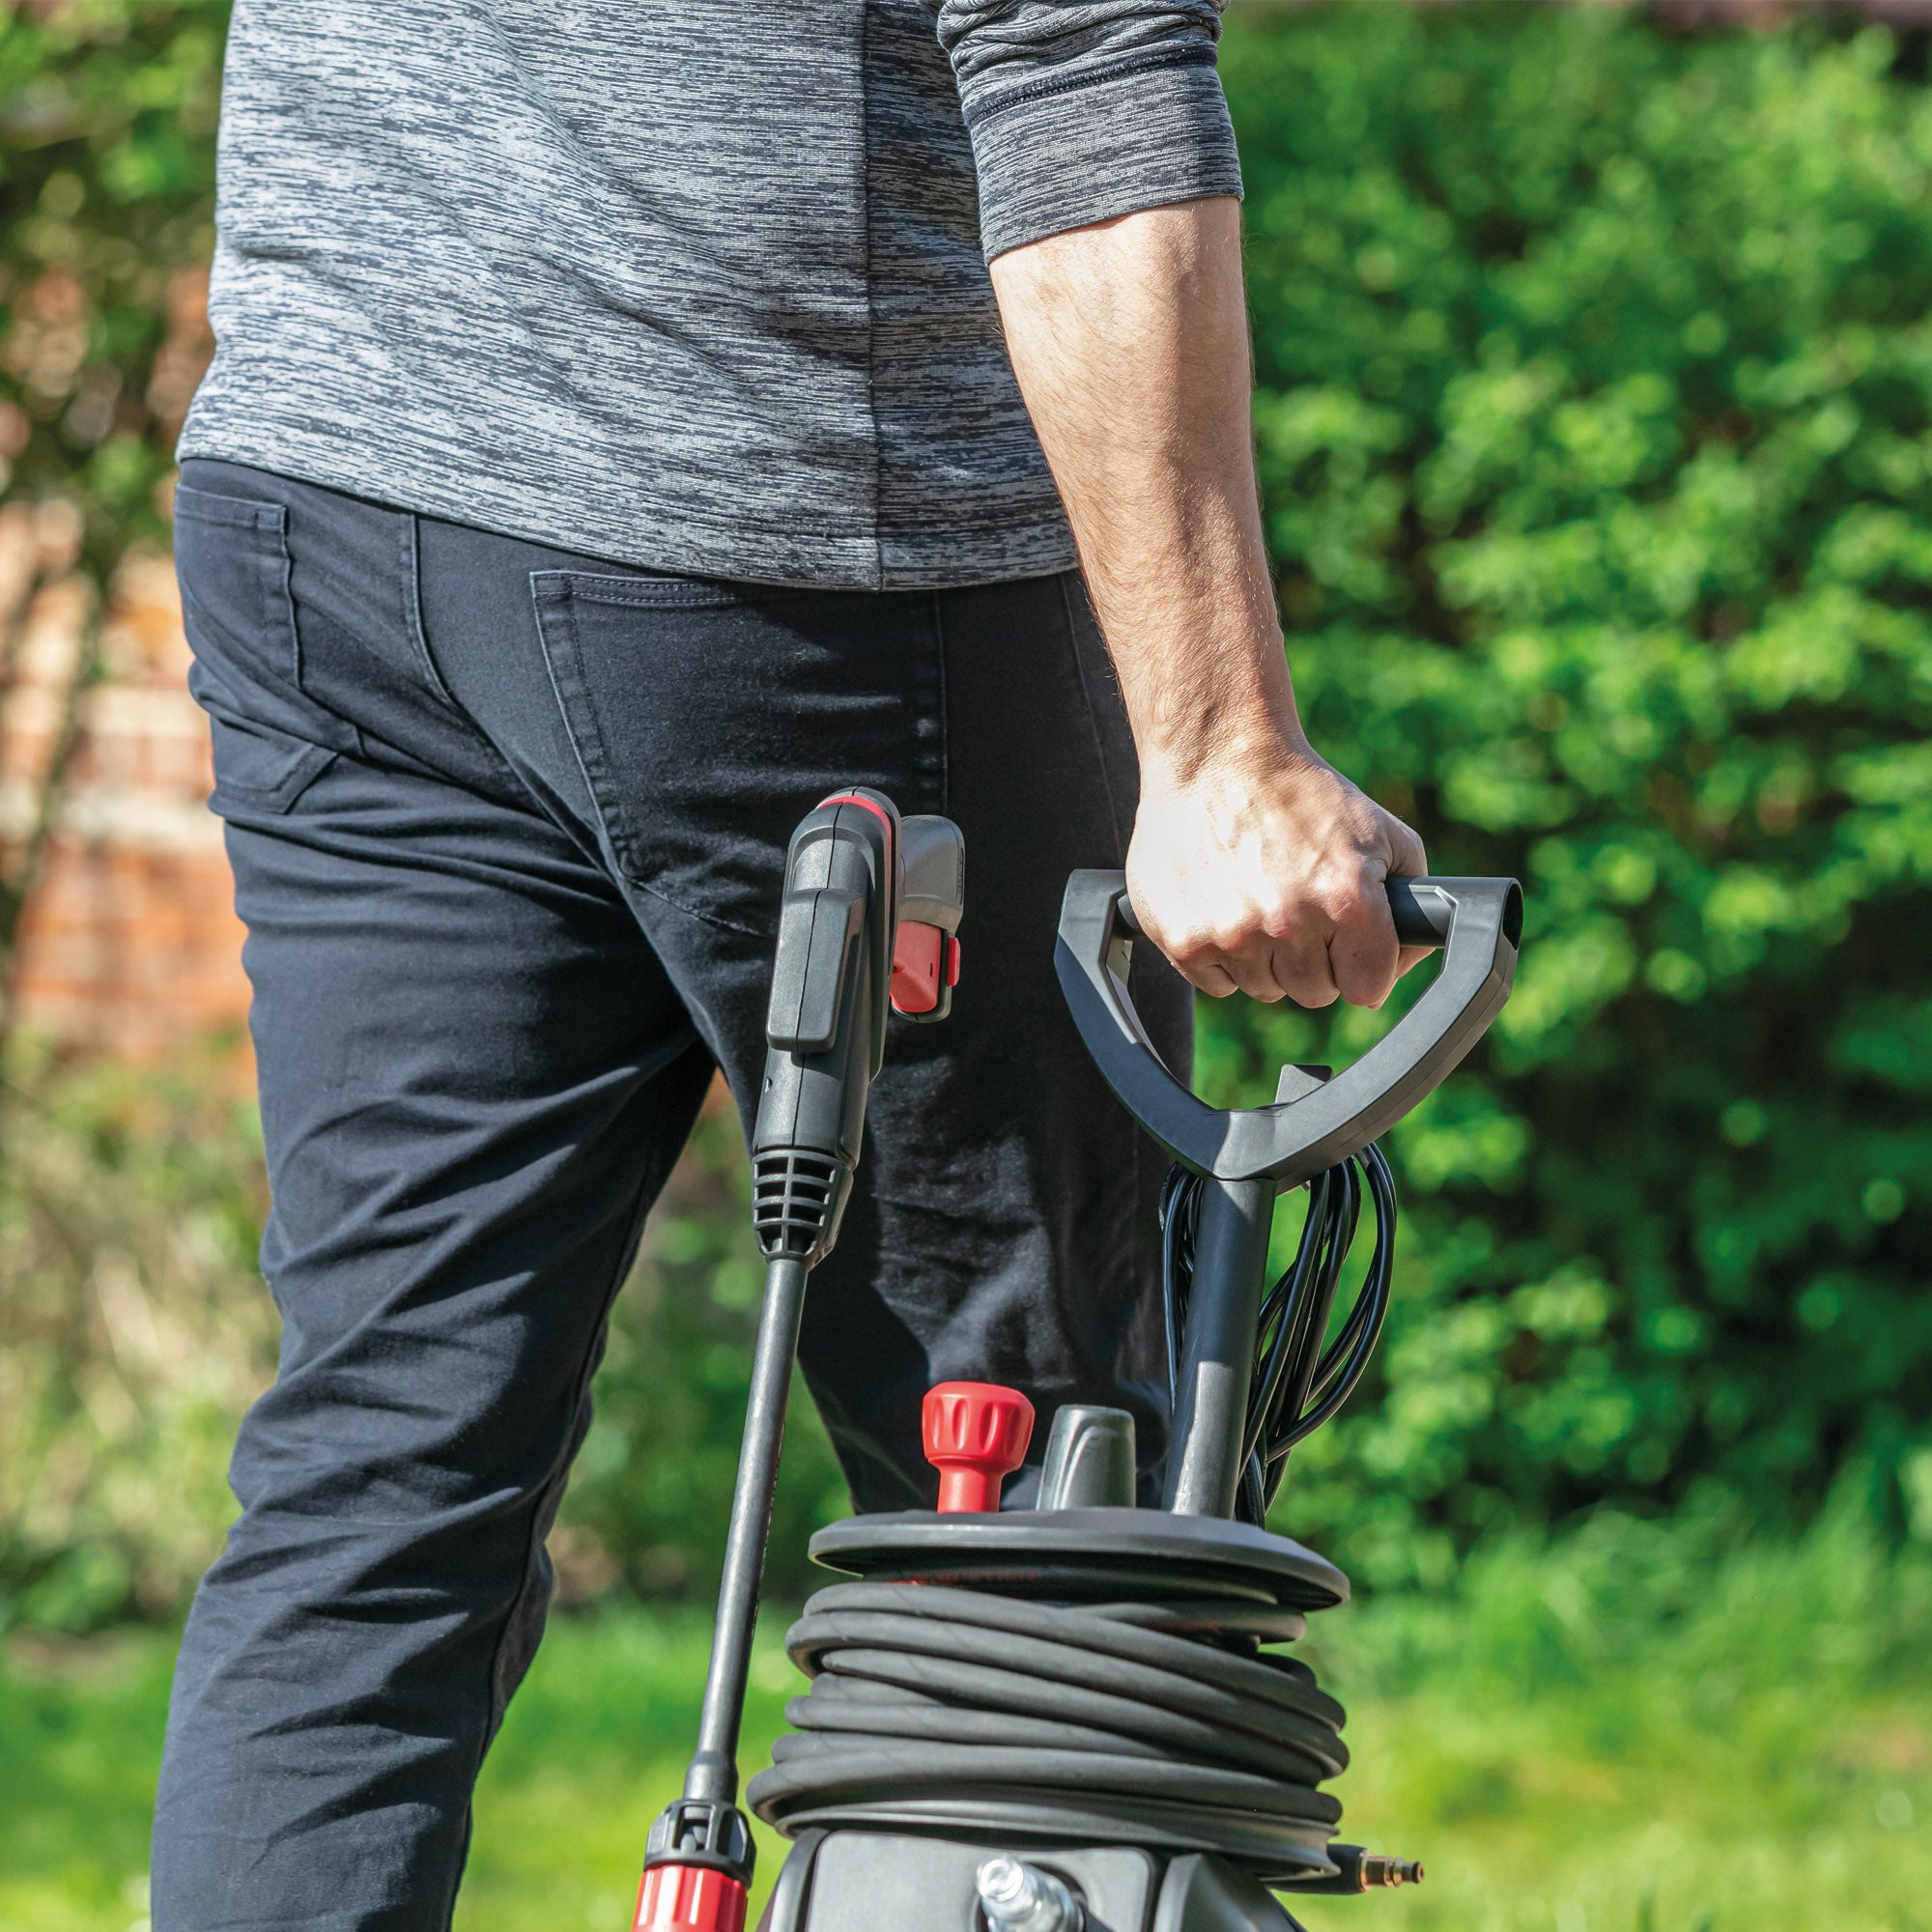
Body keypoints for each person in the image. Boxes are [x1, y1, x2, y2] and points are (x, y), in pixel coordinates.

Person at [151, 0, 1428, 1924]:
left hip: (331, 504)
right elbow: (1080, 55)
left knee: (381, 1470)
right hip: (790, 533)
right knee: (1023, 1511)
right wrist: (1221, 752)